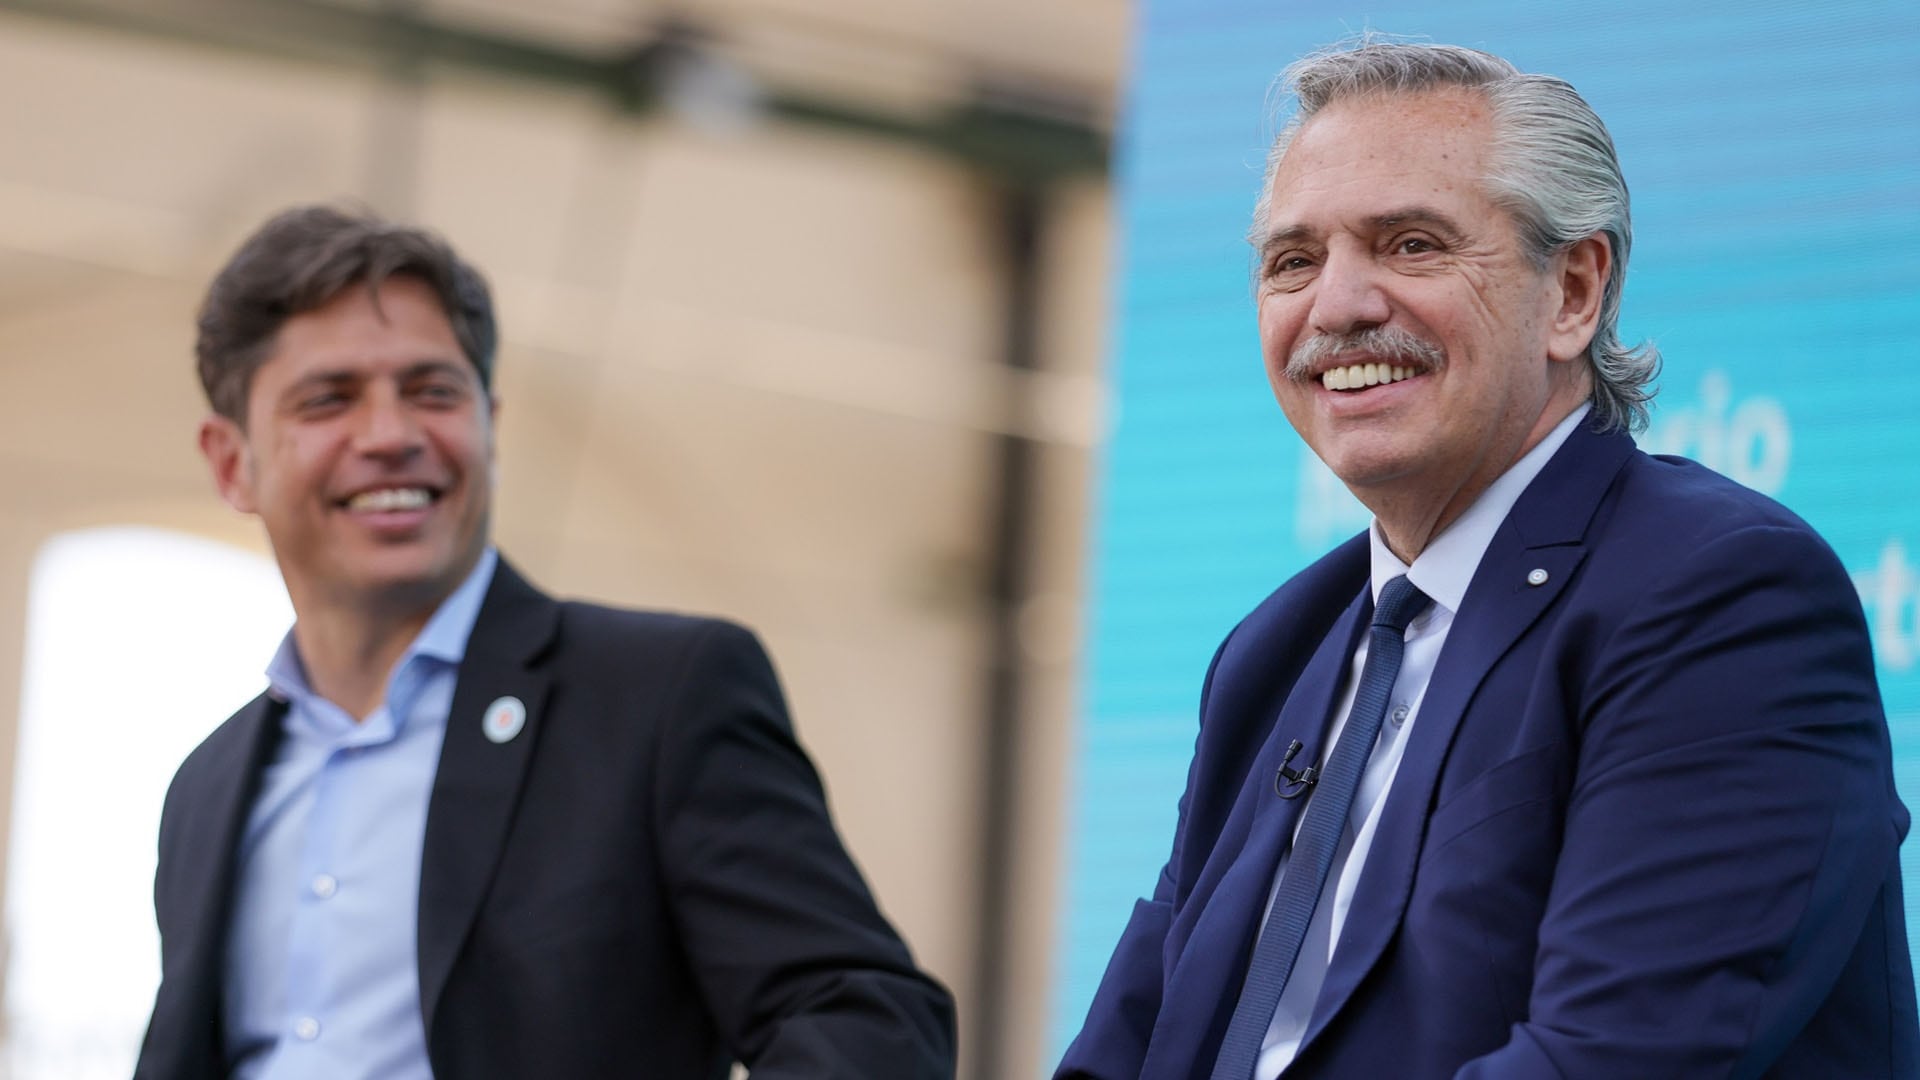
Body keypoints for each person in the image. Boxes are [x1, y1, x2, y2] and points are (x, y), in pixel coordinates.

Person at [1057, 39, 1917, 1080]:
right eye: (1294, 261)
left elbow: (1612, 1059)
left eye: (1410, 244)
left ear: (1573, 293)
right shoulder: (1271, 652)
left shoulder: (1724, 594)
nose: (1336, 307)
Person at [134, 204, 955, 1079]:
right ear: (232, 464)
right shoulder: (208, 787)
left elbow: (866, 1026)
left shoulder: (660, 699)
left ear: (490, 423)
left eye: (433, 391)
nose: (392, 435)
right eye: (329, 399)